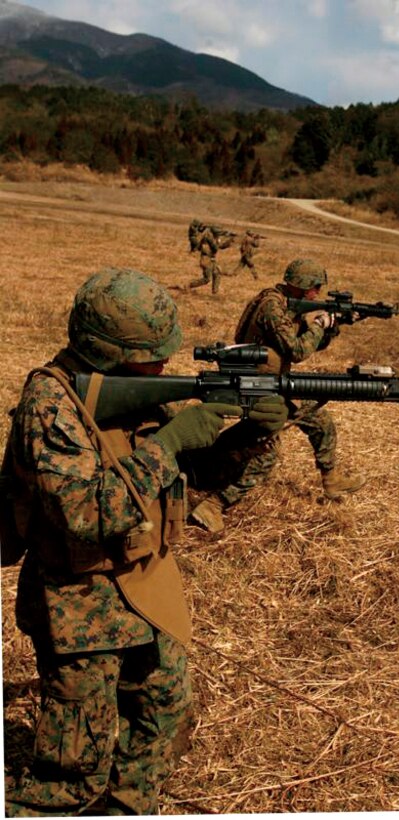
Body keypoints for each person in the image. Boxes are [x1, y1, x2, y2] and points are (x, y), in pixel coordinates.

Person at [3, 267, 287, 816]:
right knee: (72, 768)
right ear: (105, 351)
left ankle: (128, 807)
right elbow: (84, 515)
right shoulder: (52, 402)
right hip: (78, 601)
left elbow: (187, 480)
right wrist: (172, 442)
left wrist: (247, 436)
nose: (163, 363)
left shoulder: (135, 391)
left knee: (164, 711)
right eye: (150, 353)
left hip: (144, 585)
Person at [191, 258, 366, 534]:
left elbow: (302, 345)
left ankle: (331, 479)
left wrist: (333, 326)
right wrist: (319, 324)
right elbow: (297, 350)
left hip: (271, 384)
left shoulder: (282, 303)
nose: (319, 292)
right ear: (304, 286)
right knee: (265, 455)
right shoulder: (272, 307)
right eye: (316, 287)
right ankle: (213, 505)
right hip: (256, 387)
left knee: (319, 421)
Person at [188, 225, 235, 295]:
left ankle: (215, 292)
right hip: (206, 259)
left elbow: (221, 246)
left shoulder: (212, 237)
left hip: (211, 259)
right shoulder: (208, 237)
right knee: (207, 279)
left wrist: (229, 241)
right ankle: (189, 285)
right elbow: (215, 247)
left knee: (217, 273)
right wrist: (220, 240)